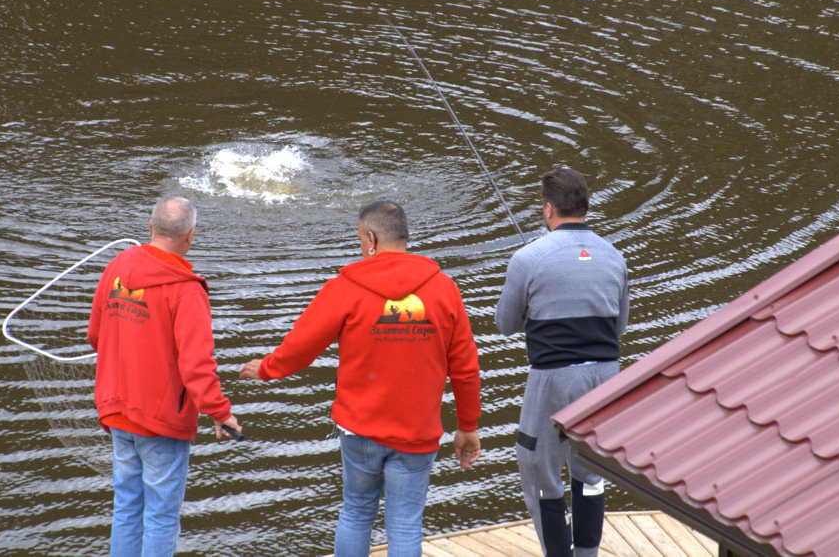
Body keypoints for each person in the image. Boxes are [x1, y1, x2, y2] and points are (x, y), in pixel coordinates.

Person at [240, 200, 481, 557]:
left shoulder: (346, 287)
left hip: (360, 430)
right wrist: (467, 426)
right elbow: (465, 367)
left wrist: (267, 368)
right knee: (404, 525)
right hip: (416, 432)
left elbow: (303, 345)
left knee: (356, 513)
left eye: (359, 240)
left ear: (371, 238)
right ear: (404, 236)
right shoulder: (445, 289)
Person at [89, 195, 241, 557]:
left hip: (115, 407)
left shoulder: (118, 266)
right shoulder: (187, 289)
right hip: (160, 420)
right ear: (189, 236)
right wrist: (220, 412)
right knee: (160, 514)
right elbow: (196, 365)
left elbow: (96, 334)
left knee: (126, 506)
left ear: (150, 227)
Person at [495, 168, 629, 557]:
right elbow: (618, 327)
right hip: (606, 377)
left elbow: (504, 324)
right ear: (587, 207)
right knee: (590, 474)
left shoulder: (527, 258)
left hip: (552, 379)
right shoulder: (615, 256)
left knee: (539, 471)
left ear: (548, 209)